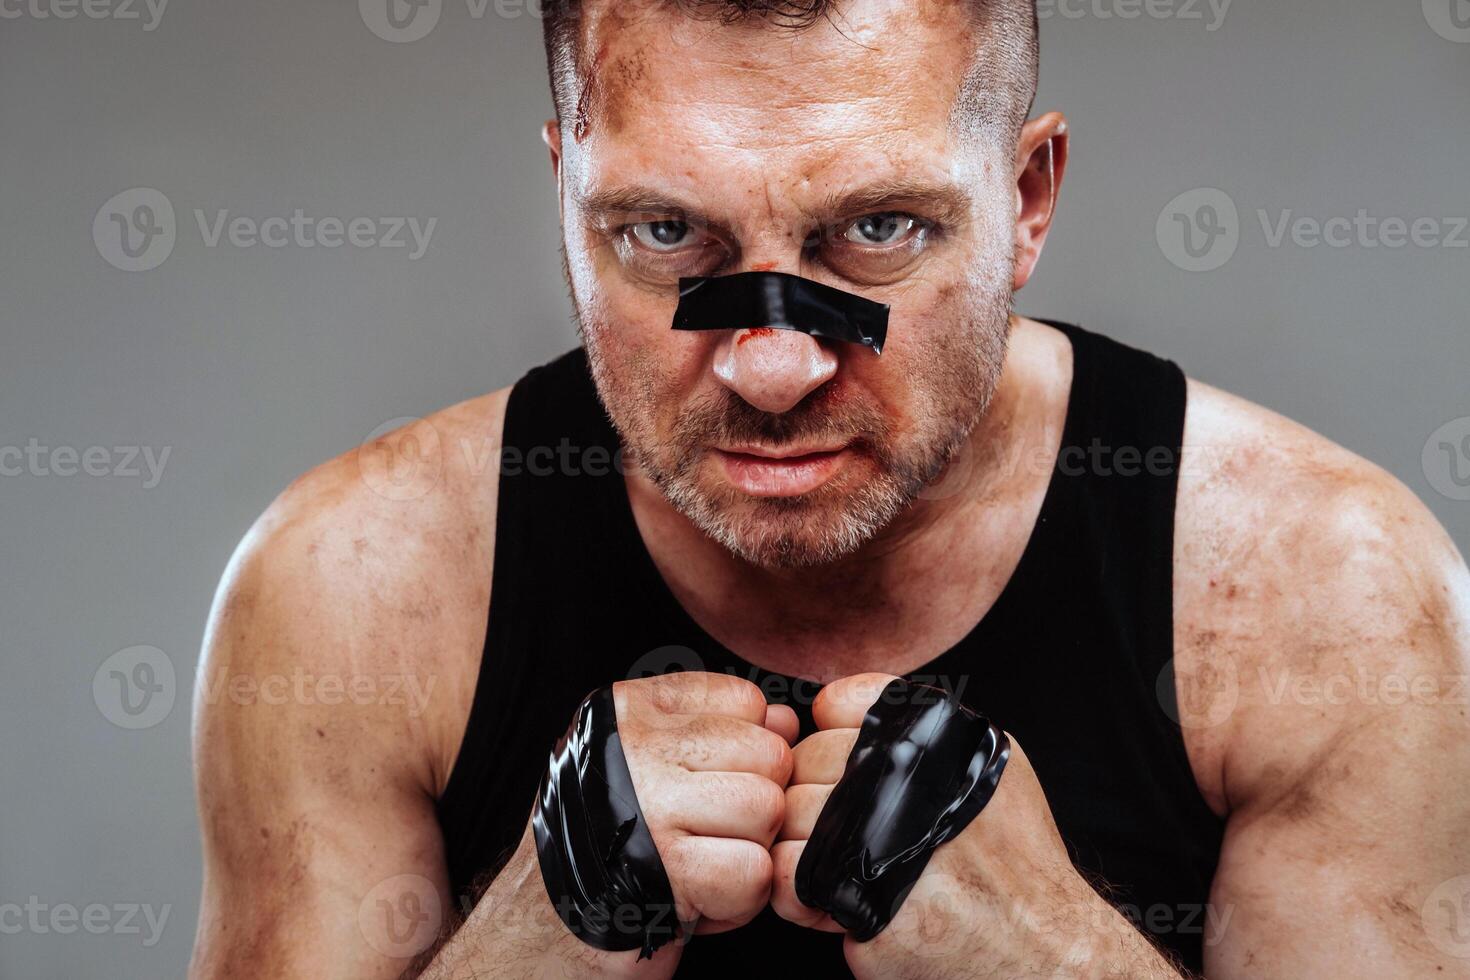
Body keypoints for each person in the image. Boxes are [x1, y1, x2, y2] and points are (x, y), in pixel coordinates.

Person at [187, 1, 1470, 977]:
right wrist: (547, 928)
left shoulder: (1331, 594)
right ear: (564, 198)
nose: (774, 366)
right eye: (664, 234)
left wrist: (1060, 958)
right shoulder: (349, 585)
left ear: (1025, 201)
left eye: (876, 230)